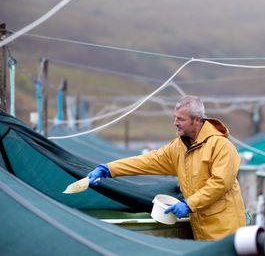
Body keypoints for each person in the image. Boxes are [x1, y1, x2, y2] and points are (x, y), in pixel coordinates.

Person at [87, 95, 246, 240]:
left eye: (181, 119)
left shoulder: (221, 146)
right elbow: (148, 161)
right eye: (175, 118)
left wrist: (188, 204)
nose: (175, 123)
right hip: (201, 232)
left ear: (197, 120)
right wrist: (110, 169)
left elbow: (220, 183)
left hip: (226, 231)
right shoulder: (178, 147)